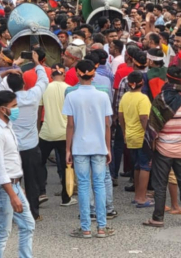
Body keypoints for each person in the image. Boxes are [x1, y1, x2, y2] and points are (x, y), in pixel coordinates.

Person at [63, 59, 114, 239]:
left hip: (79, 146)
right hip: (100, 145)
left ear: (77, 74)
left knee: (84, 186)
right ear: (94, 74)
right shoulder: (103, 95)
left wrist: (67, 149)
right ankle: (101, 227)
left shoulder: (71, 95)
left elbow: (70, 126)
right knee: (99, 184)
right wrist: (108, 147)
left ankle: (85, 227)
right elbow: (107, 125)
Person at [144, 66, 181, 228]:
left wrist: (152, 148)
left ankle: (158, 218)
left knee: (160, 185)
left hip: (163, 149)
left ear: (167, 79)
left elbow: (153, 128)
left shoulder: (159, 98)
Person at [0, 89, 36, 257]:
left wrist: (17, 189)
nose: (16, 109)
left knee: (28, 224)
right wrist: (13, 195)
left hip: (13, 185)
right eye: (13, 106)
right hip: (3, 188)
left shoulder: (7, 127)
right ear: (2, 109)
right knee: (2, 231)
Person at [7, 51, 49, 221]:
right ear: (24, 83)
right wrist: (37, 63)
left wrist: (11, 67)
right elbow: (44, 80)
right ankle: (33, 213)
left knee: (13, 180)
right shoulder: (33, 96)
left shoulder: (6, 99)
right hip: (31, 146)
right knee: (32, 182)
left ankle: (15, 213)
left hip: (12, 146)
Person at [38, 64, 74, 206]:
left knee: (40, 163)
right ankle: (66, 197)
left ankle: (41, 192)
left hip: (46, 132)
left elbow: (39, 110)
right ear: (64, 75)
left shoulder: (45, 88)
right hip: (65, 133)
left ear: (51, 76)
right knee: (67, 165)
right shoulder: (69, 89)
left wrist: (38, 128)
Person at [118, 71, 152, 207]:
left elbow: (120, 115)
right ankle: (142, 198)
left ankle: (138, 195)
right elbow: (144, 118)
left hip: (130, 136)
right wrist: (149, 135)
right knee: (145, 166)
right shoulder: (143, 99)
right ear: (142, 83)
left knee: (137, 166)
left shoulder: (125, 97)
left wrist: (124, 131)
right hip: (142, 137)